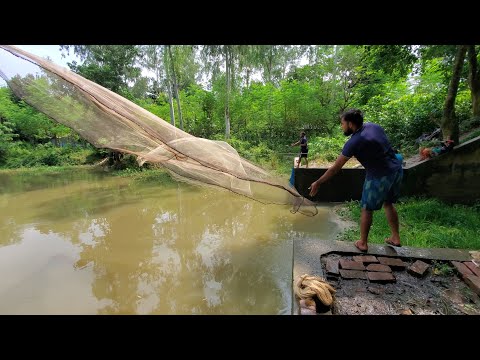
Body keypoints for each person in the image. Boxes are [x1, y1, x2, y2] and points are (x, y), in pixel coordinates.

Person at [308, 109, 403, 252]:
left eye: (342, 123)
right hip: (396, 170)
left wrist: (318, 182)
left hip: (378, 176)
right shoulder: (374, 126)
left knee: (366, 209)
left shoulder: (354, 142)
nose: (341, 126)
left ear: (350, 124)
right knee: (388, 203)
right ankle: (395, 237)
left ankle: (363, 243)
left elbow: (335, 168)